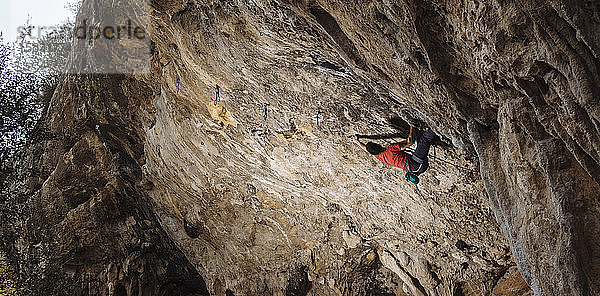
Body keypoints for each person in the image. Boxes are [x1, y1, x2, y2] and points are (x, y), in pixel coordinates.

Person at [356, 127, 439, 178]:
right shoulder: (390, 149)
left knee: (421, 137)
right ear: (378, 145)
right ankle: (438, 127)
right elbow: (410, 142)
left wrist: (357, 142)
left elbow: (366, 149)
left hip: (417, 170)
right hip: (415, 164)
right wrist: (412, 126)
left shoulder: (380, 157)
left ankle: (437, 137)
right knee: (425, 139)